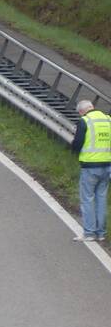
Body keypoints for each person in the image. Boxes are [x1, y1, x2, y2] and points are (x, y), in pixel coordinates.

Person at [71, 99, 111, 242]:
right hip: (107, 166)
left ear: (82, 111)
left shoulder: (85, 121)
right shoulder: (108, 119)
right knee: (101, 199)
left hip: (90, 167)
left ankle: (89, 233)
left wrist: (73, 150)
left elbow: (78, 143)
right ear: (92, 107)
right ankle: (101, 233)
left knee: (87, 199)